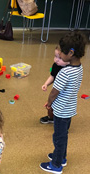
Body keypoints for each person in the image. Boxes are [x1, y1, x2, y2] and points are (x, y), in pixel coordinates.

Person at [40, 31, 86, 174]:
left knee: (59, 137)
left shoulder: (64, 72)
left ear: (71, 53)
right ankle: (62, 157)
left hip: (60, 111)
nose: (59, 55)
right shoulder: (79, 68)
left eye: (61, 54)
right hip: (70, 109)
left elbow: (54, 91)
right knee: (63, 135)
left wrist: (49, 103)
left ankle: (56, 165)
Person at [40, 46, 69, 124]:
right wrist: (46, 84)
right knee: (50, 107)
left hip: (64, 94)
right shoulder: (56, 65)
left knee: (63, 110)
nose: (56, 60)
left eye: (60, 58)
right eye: (55, 56)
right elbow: (52, 76)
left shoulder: (69, 70)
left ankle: (63, 122)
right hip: (56, 91)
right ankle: (51, 117)